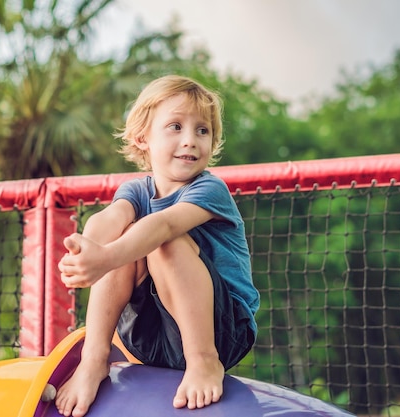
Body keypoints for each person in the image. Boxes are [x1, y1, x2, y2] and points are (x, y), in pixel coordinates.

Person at [56, 74, 259, 417]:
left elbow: (163, 225)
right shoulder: (136, 190)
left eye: (202, 130)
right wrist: (89, 247)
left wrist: (105, 258)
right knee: (126, 234)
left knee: (163, 241)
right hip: (148, 338)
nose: (190, 140)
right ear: (142, 138)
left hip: (223, 331)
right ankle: (94, 360)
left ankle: (203, 361)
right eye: (176, 127)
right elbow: (110, 218)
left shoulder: (209, 190)